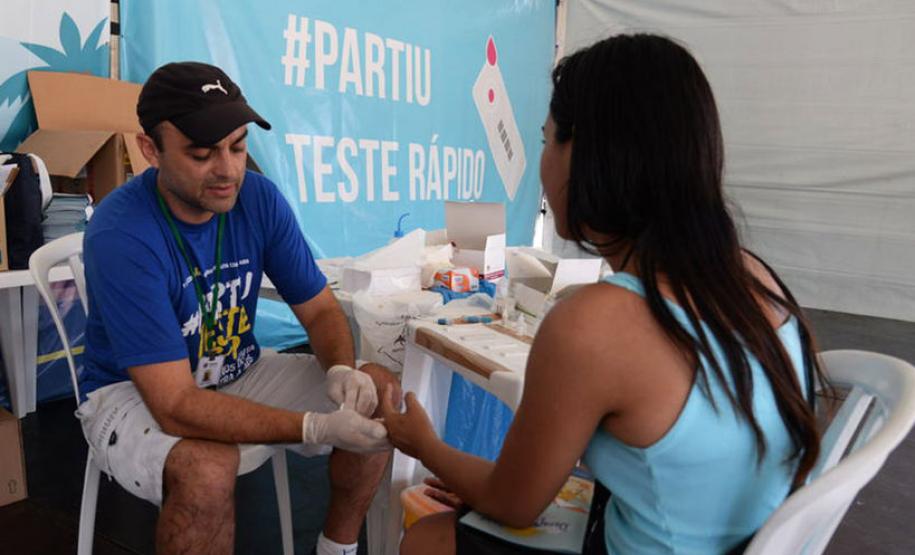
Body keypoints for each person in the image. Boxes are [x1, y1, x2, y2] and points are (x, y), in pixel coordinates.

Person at [381, 34, 828, 555]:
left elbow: (513, 502)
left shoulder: (594, 323)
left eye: (547, 141)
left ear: (584, 155)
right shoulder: (754, 277)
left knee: (427, 541)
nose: (544, 163)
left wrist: (423, 444)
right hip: (740, 539)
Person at [77, 61, 400, 555]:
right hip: (132, 393)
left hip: (234, 369)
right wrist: (312, 426)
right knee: (207, 469)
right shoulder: (122, 233)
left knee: (377, 391)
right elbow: (176, 405)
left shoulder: (259, 199)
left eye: (238, 146)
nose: (228, 170)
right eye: (202, 153)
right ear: (150, 150)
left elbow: (319, 310)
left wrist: (340, 366)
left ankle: (337, 549)